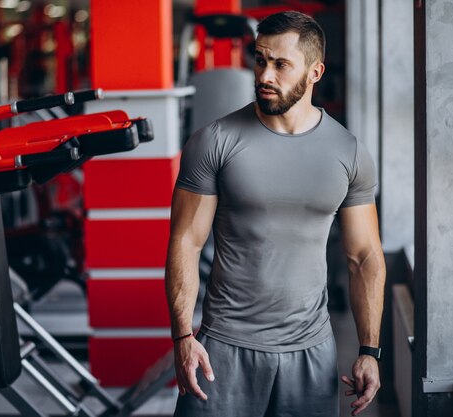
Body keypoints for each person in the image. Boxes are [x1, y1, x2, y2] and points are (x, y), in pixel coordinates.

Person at [165, 11, 386, 417]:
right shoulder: (214, 141)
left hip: (311, 352)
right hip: (224, 349)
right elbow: (186, 240)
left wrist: (369, 349)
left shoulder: (348, 152)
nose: (265, 74)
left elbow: (364, 256)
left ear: (315, 72)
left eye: (281, 64)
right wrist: (182, 335)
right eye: (260, 59)